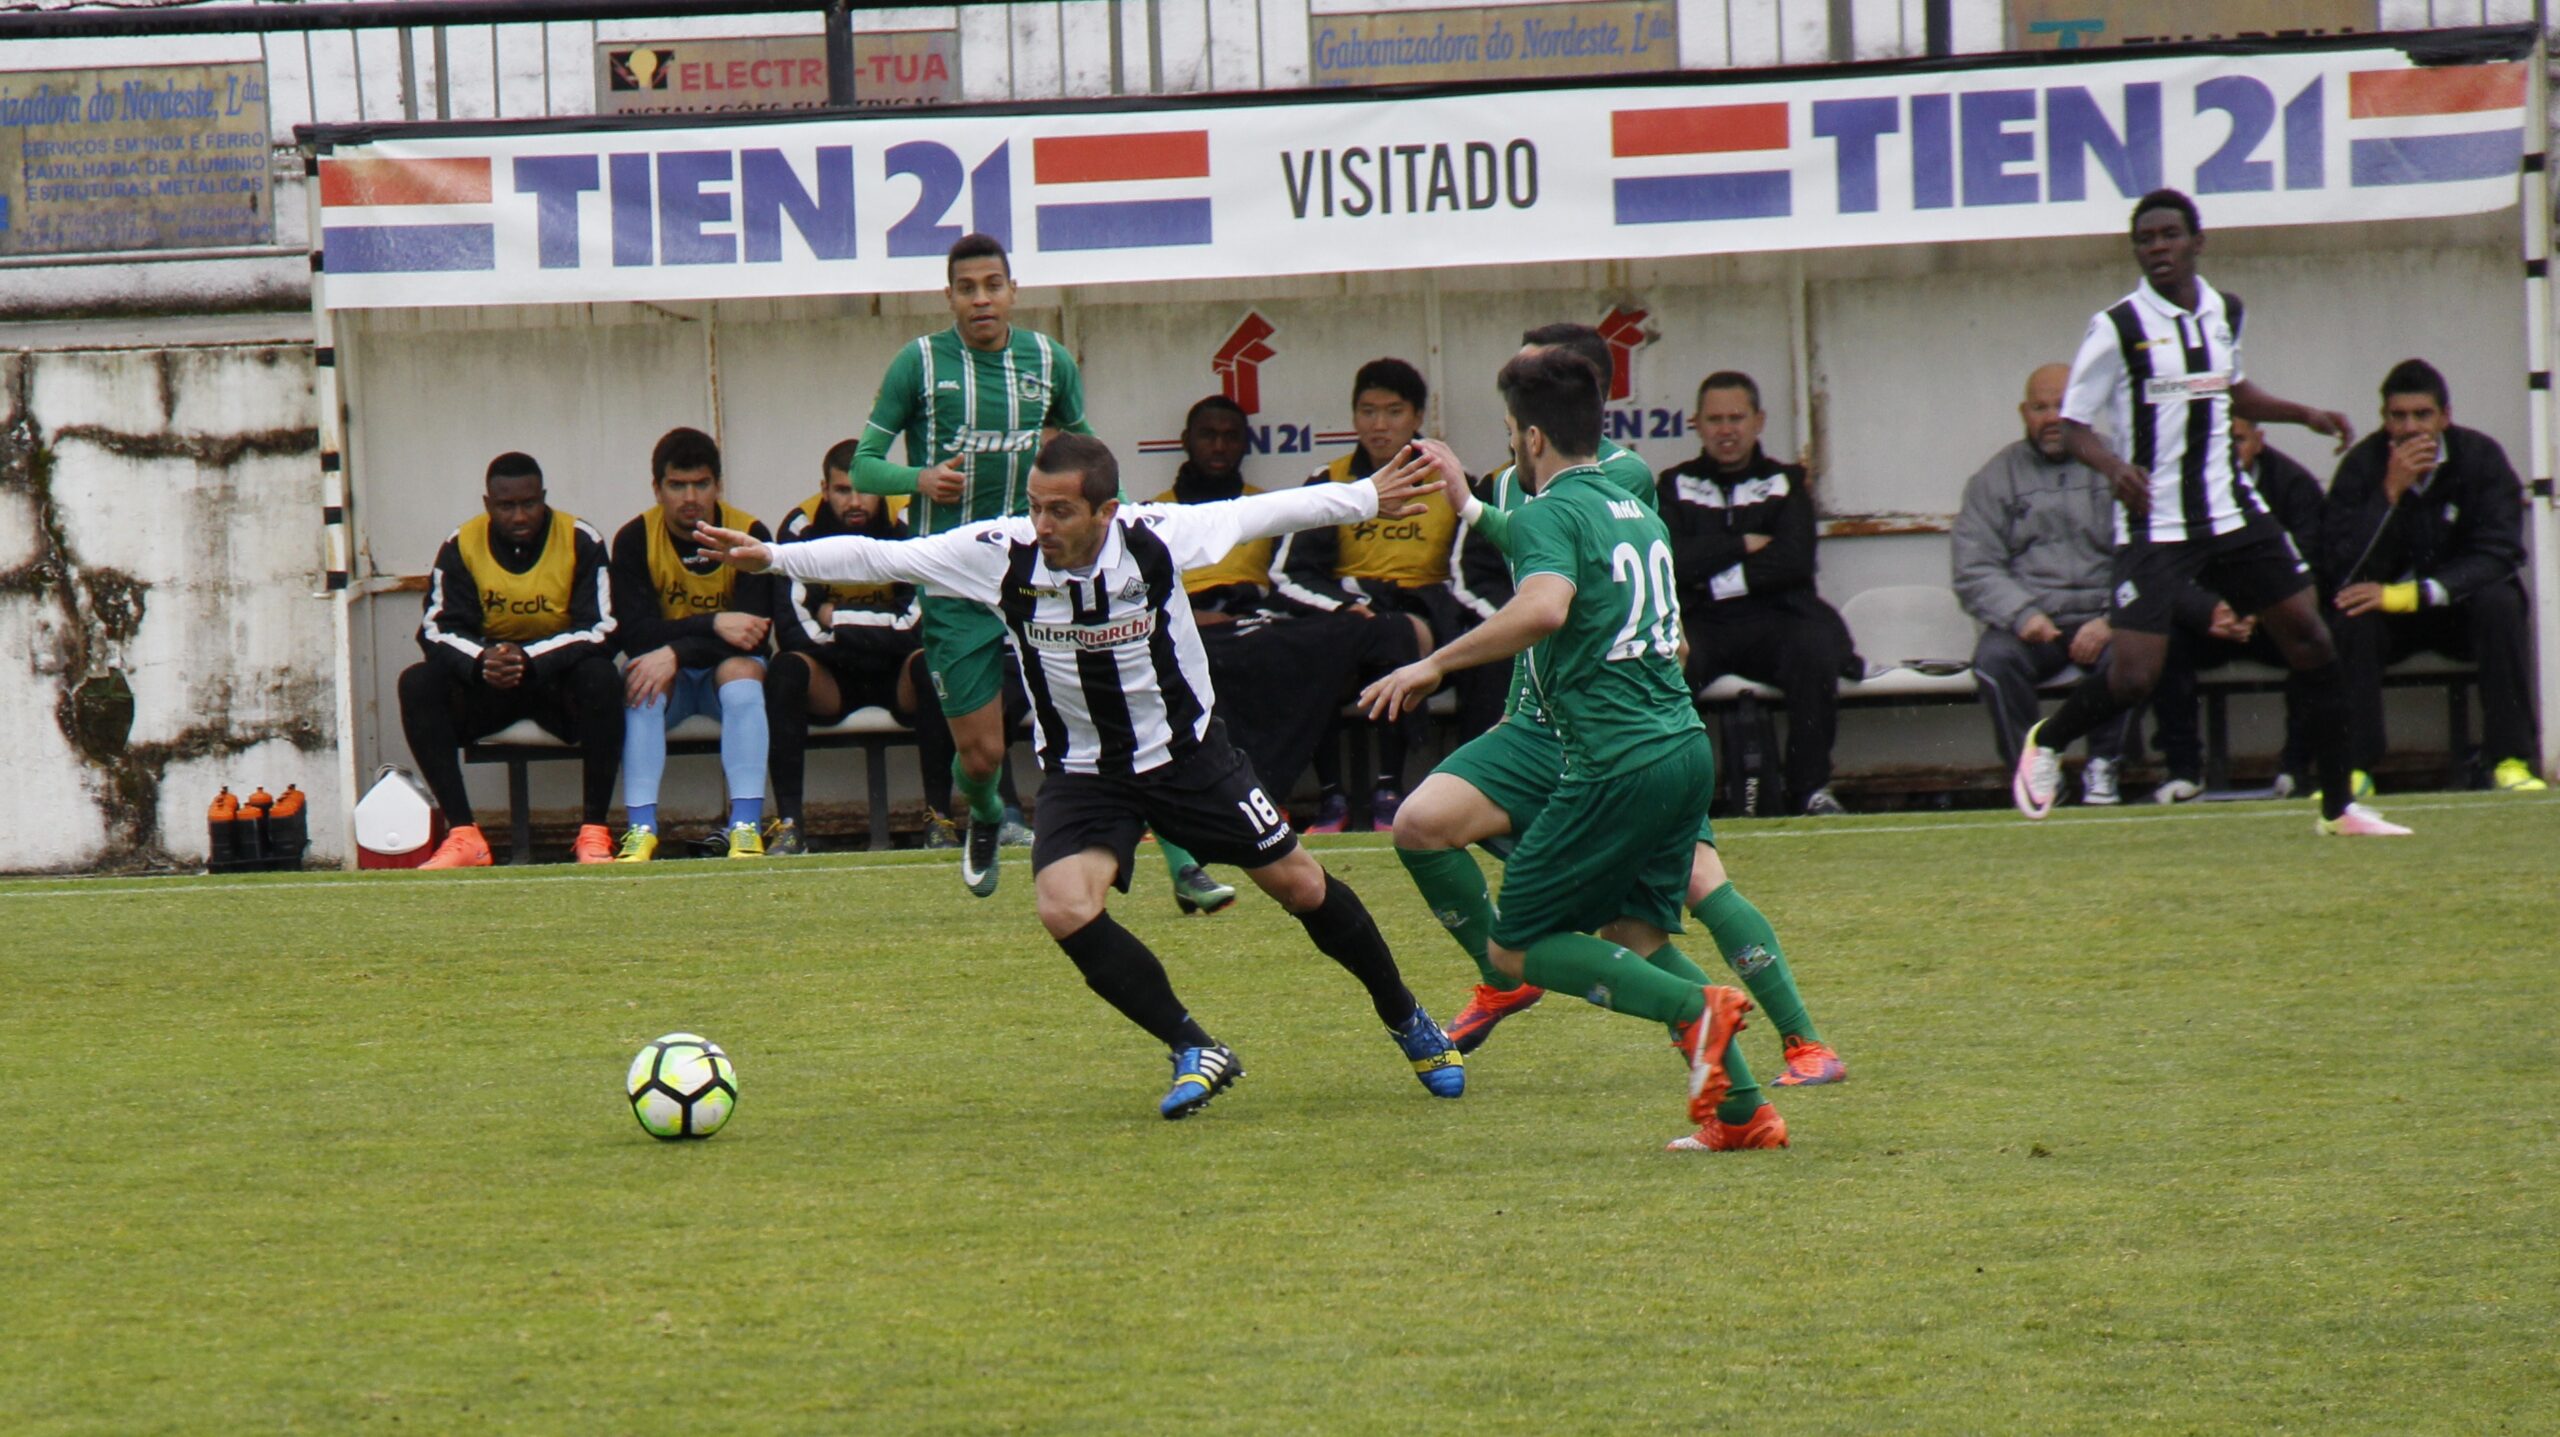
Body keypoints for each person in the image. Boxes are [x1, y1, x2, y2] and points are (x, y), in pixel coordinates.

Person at [700, 434, 1465, 1117]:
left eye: (1061, 511)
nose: (1042, 525)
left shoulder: (1158, 537)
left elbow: (1264, 514)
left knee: (1300, 886)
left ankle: (1403, 1013)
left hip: (1189, 759)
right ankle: (1194, 1045)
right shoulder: (1002, 552)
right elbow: (884, 558)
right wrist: (771, 558)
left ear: (1106, 510)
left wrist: (1366, 494)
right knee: (1064, 905)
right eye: (1036, 507)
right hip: (1084, 771)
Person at [1390, 324, 1841, 1106]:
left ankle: (1788, 1033)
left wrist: (1434, 660)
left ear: (1540, 426)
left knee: (1649, 904)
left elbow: (1548, 600)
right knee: (1430, 828)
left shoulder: (1618, 478)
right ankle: (1738, 1108)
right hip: (1586, 729)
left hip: (1609, 735)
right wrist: (1468, 505)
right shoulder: (1554, 490)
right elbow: (1550, 547)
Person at [855, 232, 1227, 911]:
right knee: (982, 756)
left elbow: (1087, 453)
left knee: (1119, 710)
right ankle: (989, 812)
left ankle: (1184, 862)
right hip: (959, 576)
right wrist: (918, 476)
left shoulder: (1048, 361)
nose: (981, 299)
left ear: (1012, 290)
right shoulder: (920, 364)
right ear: (949, 297)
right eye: (966, 288)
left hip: (1044, 567)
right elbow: (863, 466)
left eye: (992, 285)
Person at [2018, 188, 2407, 835]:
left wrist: (2301, 412)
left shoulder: (2226, 310)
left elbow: (2232, 387)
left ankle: (2339, 807)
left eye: (2170, 235)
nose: (2158, 248)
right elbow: (2073, 425)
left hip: (2230, 512)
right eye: (2146, 239)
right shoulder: (2117, 327)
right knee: (2136, 675)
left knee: (2312, 637)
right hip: (2155, 522)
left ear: (2197, 241)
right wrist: (2116, 469)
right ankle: (2050, 740)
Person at [1152, 395, 1418, 815]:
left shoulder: (1261, 506)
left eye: (1230, 437)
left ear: (1246, 443)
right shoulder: (1155, 512)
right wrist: (1198, 618)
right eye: (1208, 436)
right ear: (1186, 440)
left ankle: (1281, 792)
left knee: (1326, 642)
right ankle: (1225, 798)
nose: (1219, 447)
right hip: (1192, 625)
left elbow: (1287, 579)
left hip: (1257, 623)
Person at [1271, 358, 1481, 830]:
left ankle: (1388, 791)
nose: (1379, 424)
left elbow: (1467, 572)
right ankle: (1332, 799)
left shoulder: (1452, 479)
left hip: (1423, 619)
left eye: (1393, 411)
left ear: (1417, 417)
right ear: (1353, 416)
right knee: (1315, 645)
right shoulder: (1330, 479)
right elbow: (1289, 572)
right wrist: (1348, 605)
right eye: (1367, 411)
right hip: (1350, 617)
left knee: (1396, 636)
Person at [2320, 359, 2544, 793]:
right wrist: (2389, 493)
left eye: (2422, 415)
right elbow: (2339, 563)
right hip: (2389, 621)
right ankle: (2354, 769)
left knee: (2500, 602)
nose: (2410, 428)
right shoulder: (2363, 465)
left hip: (2456, 610)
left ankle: (2511, 759)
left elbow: (2500, 553)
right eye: (2398, 416)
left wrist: (2414, 594)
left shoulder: (2480, 458)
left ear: (2445, 416)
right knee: (2350, 612)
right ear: (2384, 419)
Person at [400, 452, 621, 868]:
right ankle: (465, 835)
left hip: (557, 686)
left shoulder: (580, 539)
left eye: (530, 503)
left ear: (544, 498)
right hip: (492, 687)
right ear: (488, 504)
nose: (520, 515)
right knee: (418, 682)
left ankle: (593, 834)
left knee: (602, 676)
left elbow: (603, 628)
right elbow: (436, 629)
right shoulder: (461, 544)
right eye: (506, 506)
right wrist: (483, 660)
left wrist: (531, 659)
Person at [1659, 370, 1858, 817]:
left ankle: (1810, 790)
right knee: (1664, 664)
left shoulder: (1787, 482)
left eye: (1736, 417)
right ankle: (1667, 798)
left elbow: (1793, 561)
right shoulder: (1673, 485)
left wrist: (1711, 575)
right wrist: (1741, 544)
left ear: (1758, 420)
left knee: (1815, 651)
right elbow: (1672, 560)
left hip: (1776, 618)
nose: (1726, 430)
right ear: (1696, 424)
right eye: (1714, 419)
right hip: (1702, 622)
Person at [1951, 363, 2130, 804]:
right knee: (1994, 660)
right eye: (2040, 407)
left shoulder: (2119, 467)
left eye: (2063, 406)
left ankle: (2103, 768)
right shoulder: (1995, 478)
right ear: (2023, 413)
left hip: (2103, 624)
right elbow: (1973, 565)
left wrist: (2111, 619)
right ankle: (2032, 774)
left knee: (2135, 652)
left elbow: (2145, 557)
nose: (2051, 417)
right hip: (2034, 627)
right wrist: (2022, 614)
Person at [608, 426, 777, 861]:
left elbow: (752, 635)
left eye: (701, 484)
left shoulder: (749, 534)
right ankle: (641, 829)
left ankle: (745, 827)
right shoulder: (634, 539)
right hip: (671, 682)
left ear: (718, 485)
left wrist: (678, 648)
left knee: (742, 670)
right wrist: (715, 623)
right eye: (677, 485)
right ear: (657, 489)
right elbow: (635, 634)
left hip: (724, 678)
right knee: (642, 676)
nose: (690, 497)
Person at [2147, 416, 2326, 801]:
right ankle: (2182, 771)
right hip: (2209, 622)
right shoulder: (2172, 488)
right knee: (2162, 639)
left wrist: (2259, 607)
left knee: (2313, 638)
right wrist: (2207, 610)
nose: (2227, 450)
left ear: (2259, 441)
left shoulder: (2293, 485)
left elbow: (2311, 561)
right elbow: (2158, 569)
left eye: (2238, 440)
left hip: (2272, 617)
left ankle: (2296, 768)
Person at [761, 440, 927, 855]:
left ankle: (938, 819)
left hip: (896, 673)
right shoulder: (800, 528)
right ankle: (790, 825)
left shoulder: (910, 521)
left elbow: (919, 628)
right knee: (786, 668)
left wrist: (836, 618)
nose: (855, 501)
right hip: (833, 677)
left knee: (931, 664)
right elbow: (792, 631)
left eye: (865, 489)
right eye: (842, 490)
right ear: (824, 489)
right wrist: (880, 623)